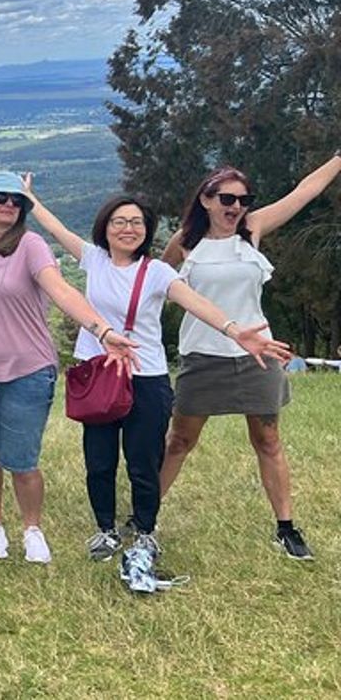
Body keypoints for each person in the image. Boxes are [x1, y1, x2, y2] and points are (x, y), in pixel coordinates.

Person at [25, 181, 290, 561]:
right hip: (98, 372)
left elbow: (196, 303)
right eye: (119, 221)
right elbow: (57, 230)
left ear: (147, 230)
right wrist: (32, 200)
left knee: (144, 460)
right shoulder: (93, 258)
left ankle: (146, 531)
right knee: (99, 460)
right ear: (105, 227)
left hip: (146, 376)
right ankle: (106, 530)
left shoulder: (158, 273)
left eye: (136, 222)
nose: (127, 228)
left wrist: (234, 331)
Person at [0, 172, 139, 563]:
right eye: (0, 198)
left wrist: (101, 330)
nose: (9, 205)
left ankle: (32, 529)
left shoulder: (30, 246)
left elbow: (61, 290)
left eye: (16, 200)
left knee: (23, 459)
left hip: (26, 370)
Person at [159, 152, 341, 560]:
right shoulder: (184, 244)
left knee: (268, 440)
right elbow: (153, 284)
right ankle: (145, 520)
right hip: (202, 357)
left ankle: (286, 528)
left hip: (258, 356)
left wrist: (338, 159)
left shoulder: (252, 231)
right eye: (227, 199)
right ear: (206, 200)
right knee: (180, 441)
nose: (236, 207)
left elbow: (304, 193)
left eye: (243, 200)